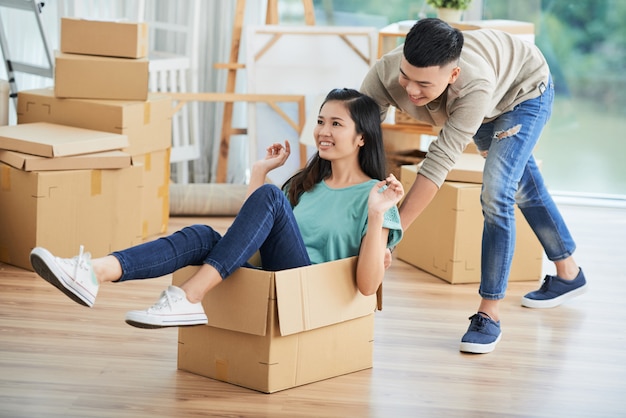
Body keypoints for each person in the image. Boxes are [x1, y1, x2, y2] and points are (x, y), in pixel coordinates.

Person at [29, 88, 404, 329]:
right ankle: (93, 272)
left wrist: (375, 217)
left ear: (361, 137)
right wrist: (259, 172)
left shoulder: (378, 197)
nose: (323, 130)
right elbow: (252, 238)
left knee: (270, 199)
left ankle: (189, 297)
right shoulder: (303, 184)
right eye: (321, 120)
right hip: (276, 277)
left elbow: (367, 286)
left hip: (311, 292)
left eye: (336, 123)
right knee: (202, 235)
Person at [361, 18, 587, 354]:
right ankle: (569, 274)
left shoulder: (472, 86)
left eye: (423, 84)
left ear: (452, 76)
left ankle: (489, 313)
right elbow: (357, 134)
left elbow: (436, 163)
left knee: (497, 192)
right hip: (483, 110)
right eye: (406, 76)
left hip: (523, 93)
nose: (410, 90)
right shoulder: (385, 72)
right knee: (521, 187)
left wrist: (391, 238)